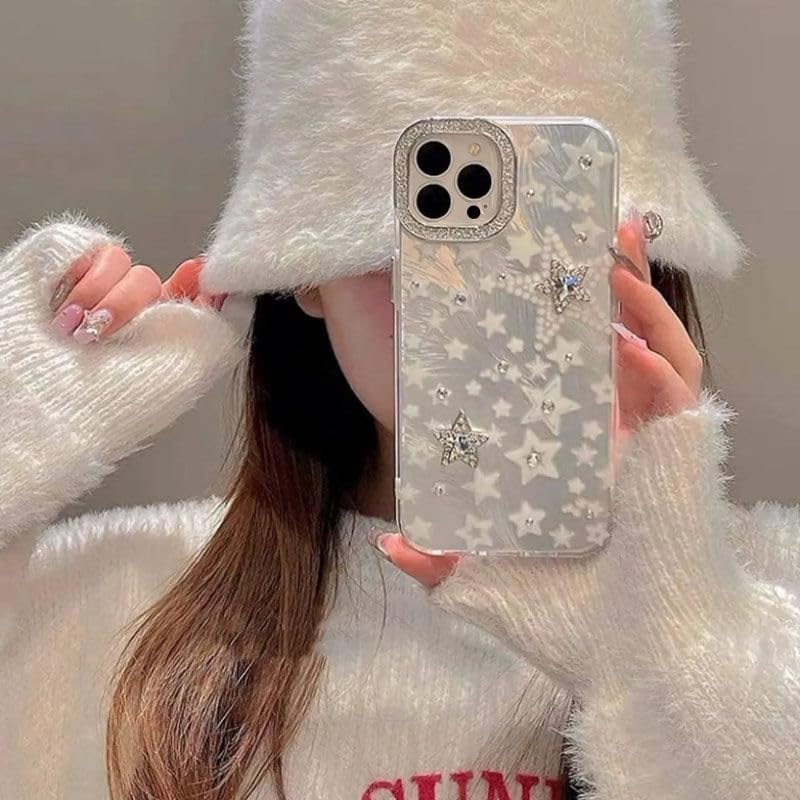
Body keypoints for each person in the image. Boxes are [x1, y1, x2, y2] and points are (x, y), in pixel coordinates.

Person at [1, 2, 797, 800]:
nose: (472, 296)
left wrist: (676, 640)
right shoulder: (121, 598)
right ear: (307, 266)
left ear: (640, 256)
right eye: (422, 226)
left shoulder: (773, 595)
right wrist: (20, 418)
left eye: (541, 237)